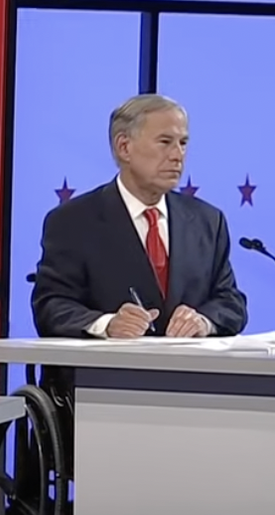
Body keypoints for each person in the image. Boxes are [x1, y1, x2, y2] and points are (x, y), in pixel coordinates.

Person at [31, 94, 248, 339]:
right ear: (124, 147)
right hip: (107, 374)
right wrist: (108, 324)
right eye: (165, 142)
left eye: (183, 143)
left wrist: (203, 321)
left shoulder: (207, 220)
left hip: (191, 374)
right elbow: (51, 306)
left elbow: (231, 302)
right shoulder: (73, 221)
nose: (178, 155)